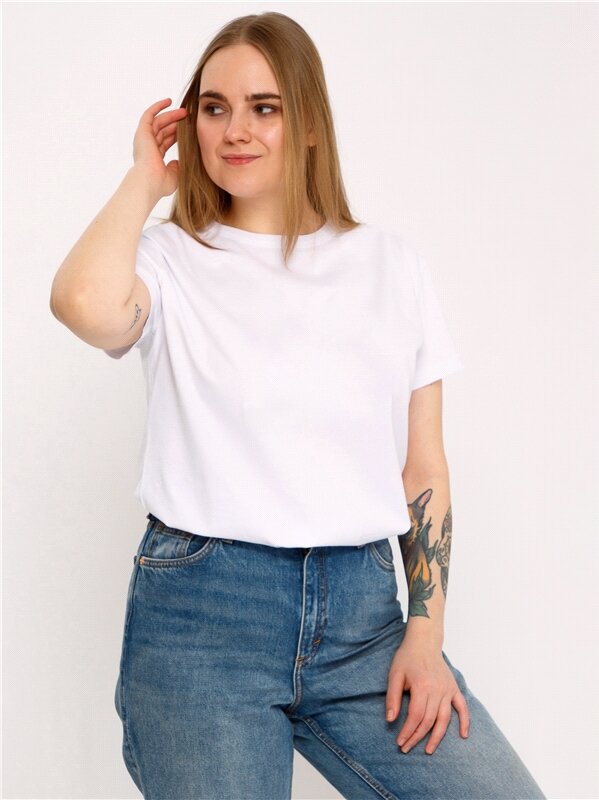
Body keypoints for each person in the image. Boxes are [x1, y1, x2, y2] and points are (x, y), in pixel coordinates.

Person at [50, 11, 546, 800]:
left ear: (309, 124)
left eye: (264, 107)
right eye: (214, 108)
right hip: (203, 623)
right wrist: (145, 180)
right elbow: (81, 304)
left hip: (362, 625)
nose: (234, 130)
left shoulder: (389, 264)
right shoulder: (169, 259)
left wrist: (424, 634)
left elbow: (422, 467)